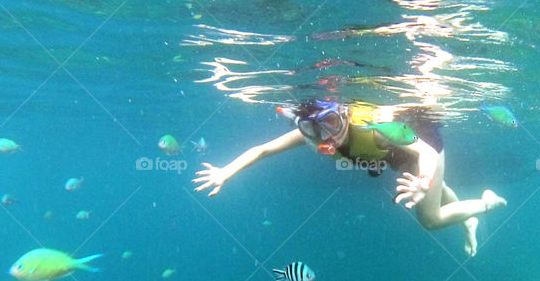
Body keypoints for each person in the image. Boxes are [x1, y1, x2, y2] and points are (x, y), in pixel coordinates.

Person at [192, 100, 506, 255]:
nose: (327, 135)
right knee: (440, 188)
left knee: (431, 219)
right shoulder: (313, 134)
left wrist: (423, 178)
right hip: (400, 159)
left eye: (331, 122)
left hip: (423, 146)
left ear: (344, 114)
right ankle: (467, 219)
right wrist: (225, 172)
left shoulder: (376, 127)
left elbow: (424, 151)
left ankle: (486, 204)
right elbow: (262, 150)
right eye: (314, 129)